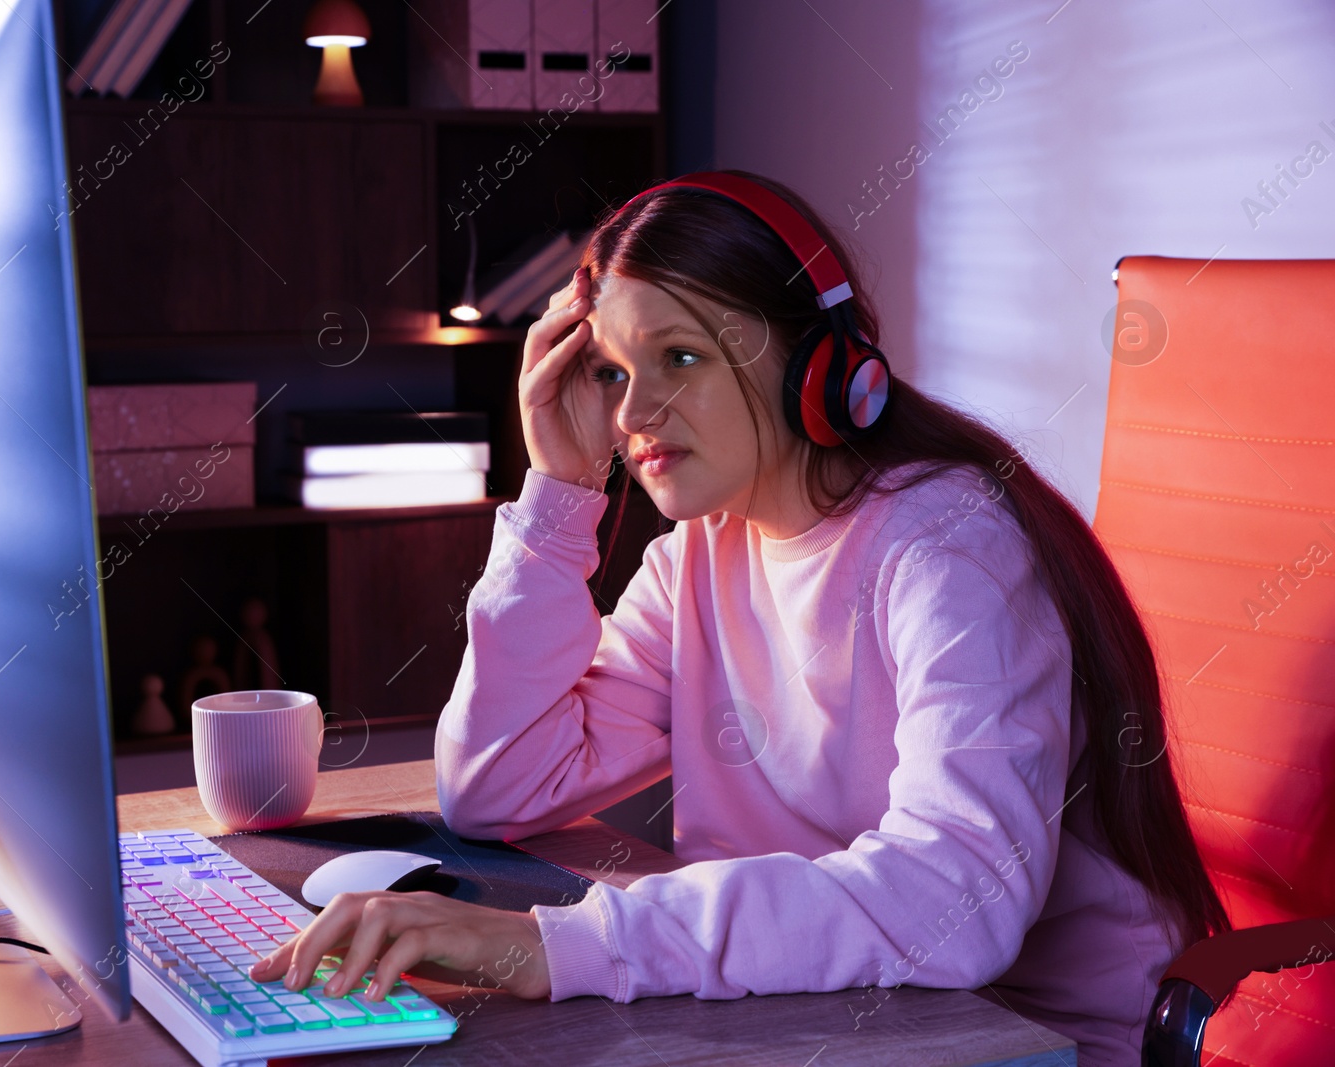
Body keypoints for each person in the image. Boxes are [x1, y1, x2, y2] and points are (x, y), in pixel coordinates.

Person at [249, 169, 1230, 1066]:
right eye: (614, 371)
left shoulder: (949, 547)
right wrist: (557, 491)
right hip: (813, 1020)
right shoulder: (700, 560)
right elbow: (498, 787)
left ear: (818, 367)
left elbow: (954, 900)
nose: (636, 412)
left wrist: (559, 943)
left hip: (1024, 1040)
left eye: (680, 356)